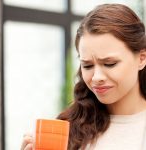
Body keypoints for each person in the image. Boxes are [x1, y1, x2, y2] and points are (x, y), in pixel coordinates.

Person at [21, 3, 146, 150]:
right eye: (87, 66)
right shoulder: (68, 129)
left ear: (142, 58)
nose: (96, 77)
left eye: (110, 64)